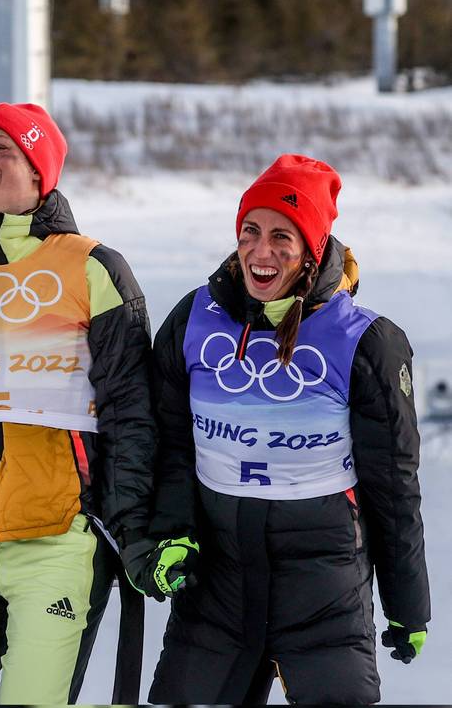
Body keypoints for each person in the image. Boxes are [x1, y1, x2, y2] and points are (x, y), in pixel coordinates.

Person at [142, 154, 430, 703]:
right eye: (250, 231)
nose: (261, 250)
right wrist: (170, 532)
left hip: (325, 596)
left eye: (282, 236)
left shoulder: (366, 341)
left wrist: (408, 603)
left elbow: (393, 485)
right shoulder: (193, 319)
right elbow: (171, 445)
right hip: (216, 594)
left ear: (312, 250)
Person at [0, 103, 155, 704]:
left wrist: (134, 527)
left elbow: (131, 410)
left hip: (58, 538)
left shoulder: (94, 266)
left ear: (39, 168)